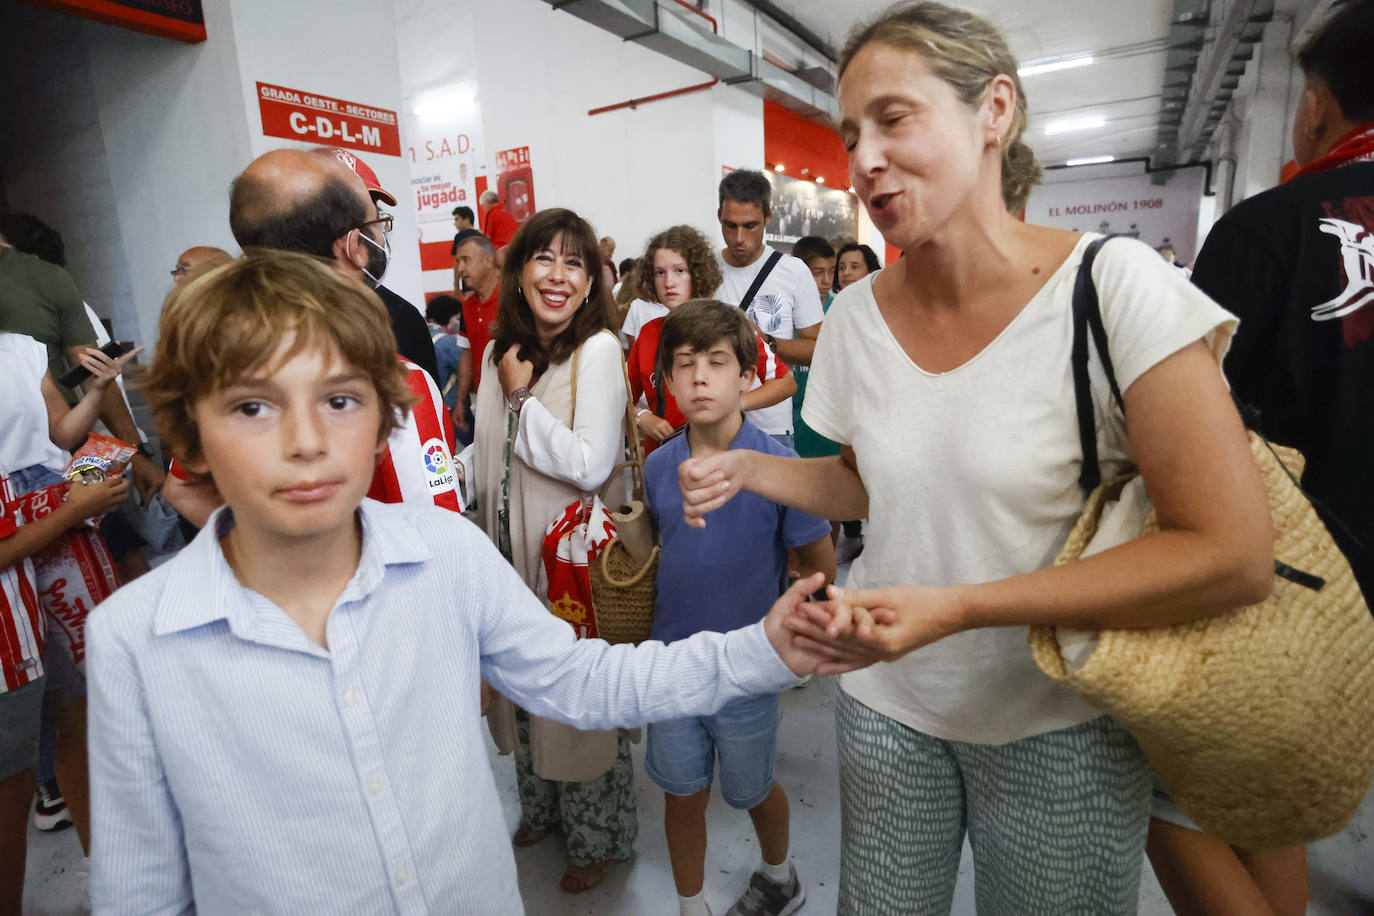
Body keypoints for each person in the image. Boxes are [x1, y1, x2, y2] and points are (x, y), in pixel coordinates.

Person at [679, 4, 1272, 913]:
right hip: (886, 704)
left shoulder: (1112, 289)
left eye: (894, 117)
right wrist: (750, 469)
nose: (864, 158)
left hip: (1059, 720)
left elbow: (1231, 553)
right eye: (849, 134)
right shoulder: (858, 320)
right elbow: (872, 485)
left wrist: (960, 609)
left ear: (995, 111)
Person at [84, 249, 862, 914]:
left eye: (341, 400)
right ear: (189, 432)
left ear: (385, 416)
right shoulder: (134, 642)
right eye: (253, 405)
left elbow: (583, 680)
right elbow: (144, 892)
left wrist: (765, 649)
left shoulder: (444, 555)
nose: (306, 443)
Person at [1178, 4, 1374, 913]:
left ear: (1322, 105)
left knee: (1190, 792)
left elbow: (1186, 421)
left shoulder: (1267, 231)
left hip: (1301, 575)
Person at [645, 300, 835, 916]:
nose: (700, 377)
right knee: (681, 795)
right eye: (685, 364)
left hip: (749, 664)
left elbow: (818, 565)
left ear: (747, 375)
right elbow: (659, 552)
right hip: (672, 665)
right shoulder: (656, 467)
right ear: (669, 381)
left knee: (755, 787)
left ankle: (780, 874)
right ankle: (690, 903)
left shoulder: (778, 464)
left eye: (717, 362)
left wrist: (798, 638)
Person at [471, 208, 638, 894]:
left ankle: (599, 837)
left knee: (577, 698)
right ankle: (541, 807)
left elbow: (590, 464)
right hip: (510, 555)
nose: (559, 276)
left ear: (591, 279)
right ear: (520, 271)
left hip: (571, 562)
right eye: (545, 259)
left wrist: (520, 402)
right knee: (520, 687)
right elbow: (487, 454)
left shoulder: (596, 349)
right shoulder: (497, 350)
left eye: (575, 262)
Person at [0, 327, 137, 909]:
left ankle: (103, 865)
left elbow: (62, 434)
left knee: (81, 706)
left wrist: (96, 394)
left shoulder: (19, 348)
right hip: (22, 526)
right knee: (18, 740)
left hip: (58, 504)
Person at [228, 147, 439, 384]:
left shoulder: (209, 344)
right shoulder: (398, 375)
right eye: (374, 218)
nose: (380, 233)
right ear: (354, 245)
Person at [0, 219, 164, 505]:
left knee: (105, 534)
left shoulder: (23, 348)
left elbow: (88, 378)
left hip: (59, 456)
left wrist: (136, 455)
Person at [629, 225, 795, 455]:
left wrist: (735, 404)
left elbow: (785, 383)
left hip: (724, 458)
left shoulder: (729, 323)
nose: (669, 282)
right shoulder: (648, 334)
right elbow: (622, 400)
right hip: (664, 460)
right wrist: (641, 417)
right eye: (660, 272)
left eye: (679, 271)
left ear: (697, 273)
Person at [715, 170, 825, 449]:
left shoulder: (792, 271)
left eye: (750, 226)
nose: (739, 237)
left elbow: (819, 349)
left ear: (767, 218)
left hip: (771, 427)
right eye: (730, 225)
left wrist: (765, 342)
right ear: (719, 216)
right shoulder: (705, 270)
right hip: (712, 425)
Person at [454, 231, 500, 415]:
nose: (460, 269)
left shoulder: (514, 299)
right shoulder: (466, 307)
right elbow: (466, 354)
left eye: (466, 260)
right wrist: (459, 401)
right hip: (482, 406)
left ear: (488, 261)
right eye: (458, 262)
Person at [425, 294, 472, 445]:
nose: (459, 323)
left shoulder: (425, 336)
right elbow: (469, 371)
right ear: (447, 317)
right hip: (453, 409)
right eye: (457, 318)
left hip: (433, 409)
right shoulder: (449, 343)